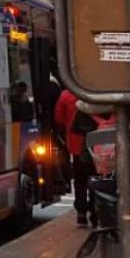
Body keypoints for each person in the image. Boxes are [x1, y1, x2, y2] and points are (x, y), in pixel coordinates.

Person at [53, 88, 94, 227]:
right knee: (99, 177)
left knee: (80, 180)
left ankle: (81, 213)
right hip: (99, 145)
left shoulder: (66, 96)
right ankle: (96, 210)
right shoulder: (97, 93)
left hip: (76, 146)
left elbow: (59, 119)